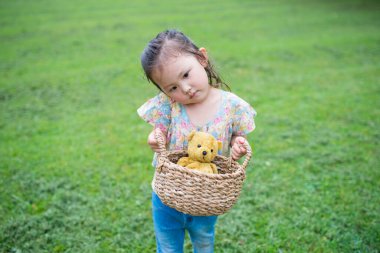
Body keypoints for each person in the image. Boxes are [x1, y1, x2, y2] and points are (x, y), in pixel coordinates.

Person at [137, 29, 257, 253]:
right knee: (168, 247)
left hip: (206, 196)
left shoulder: (232, 106)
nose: (185, 89)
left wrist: (238, 144)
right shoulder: (168, 104)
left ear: (202, 58)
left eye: (185, 75)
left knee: (203, 242)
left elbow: (237, 137)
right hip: (167, 195)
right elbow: (158, 131)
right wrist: (154, 138)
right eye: (172, 87)